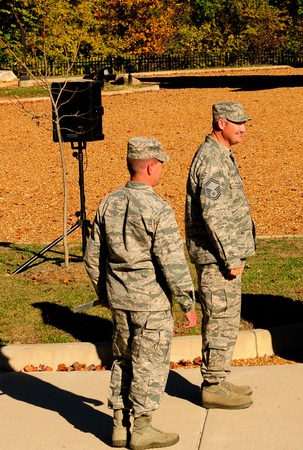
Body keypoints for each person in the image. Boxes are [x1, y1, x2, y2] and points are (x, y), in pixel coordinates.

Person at [84, 137, 198, 450]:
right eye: (160, 164)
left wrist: (103, 290)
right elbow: (172, 261)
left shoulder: (108, 202)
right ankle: (143, 428)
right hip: (151, 303)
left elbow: (93, 257)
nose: (161, 170)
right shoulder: (157, 209)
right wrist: (188, 302)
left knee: (122, 358)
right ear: (150, 166)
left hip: (119, 300)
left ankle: (119, 425)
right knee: (151, 363)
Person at [185, 102, 256, 410]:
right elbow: (214, 213)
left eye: (244, 123)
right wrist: (231, 256)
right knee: (220, 319)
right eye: (237, 123)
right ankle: (213, 385)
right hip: (217, 259)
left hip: (222, 257)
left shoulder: (221, 155)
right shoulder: (212, 161)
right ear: (220, 123)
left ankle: (219, 378)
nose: (243, 128)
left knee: (226, 320)